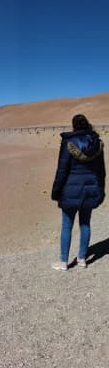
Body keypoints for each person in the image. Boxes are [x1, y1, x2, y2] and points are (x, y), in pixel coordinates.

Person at [51, 114, 106, 270]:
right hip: (90, 190)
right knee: (85, 224)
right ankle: (82, 259)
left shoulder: (68, 143)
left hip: (70, 190)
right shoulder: (97, 144)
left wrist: (56, 192)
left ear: (74, 126)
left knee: (67, 226)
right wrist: (101, 191)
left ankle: (63, 262)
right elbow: (101, 172)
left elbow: (62, 170)